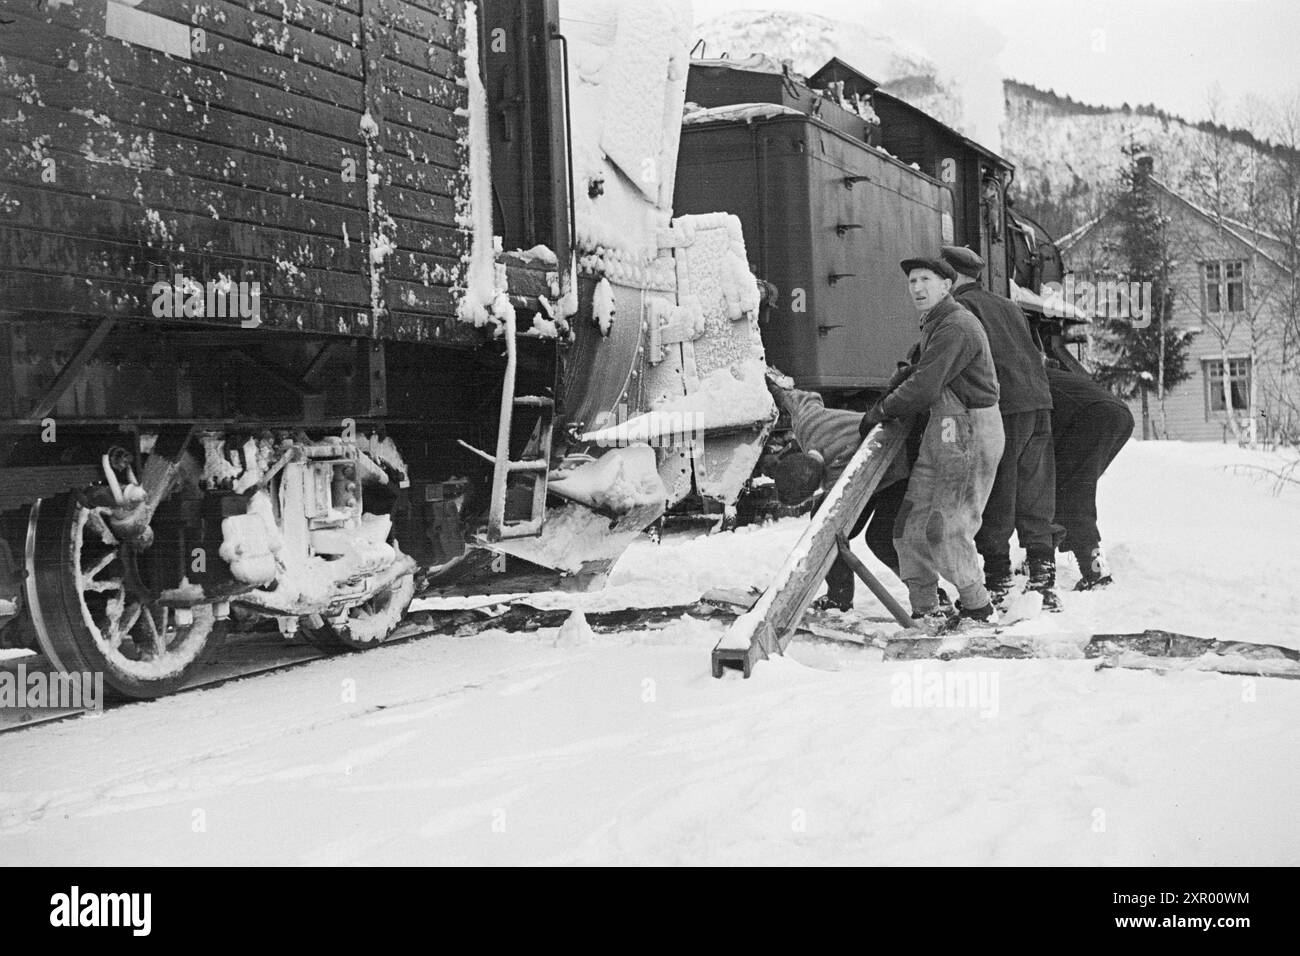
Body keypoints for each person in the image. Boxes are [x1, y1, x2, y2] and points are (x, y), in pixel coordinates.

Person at [859, 256, 1005, 626]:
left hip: (968, 431)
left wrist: (882, 409)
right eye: (911, 282)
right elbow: (923, 374)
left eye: (926, 279)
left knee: (947, 527)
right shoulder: (937, 324)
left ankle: (977, 607)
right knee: (909, 527)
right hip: (944, 432)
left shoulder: (956, 325)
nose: (918, 288)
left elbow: (925, 386)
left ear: (946, 286)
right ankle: (925, 609)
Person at [941, 245, 1059, 609]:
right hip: (1038, 402)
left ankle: (998, 580)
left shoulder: (960, 309)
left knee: (995, 493)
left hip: (1000, 407)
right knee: (1035, 491)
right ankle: (1043, 577)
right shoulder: (1010, 306)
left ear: (950, 276)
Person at [765, 372, 926, 611]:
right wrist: (772, 386)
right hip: (873, 461)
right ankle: (839, 596)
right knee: (836, 530)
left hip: (897, 470)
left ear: (815, 489)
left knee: (877, 539)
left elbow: (836, 516)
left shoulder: (837, 479)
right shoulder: (808, 423)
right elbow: (799, 398)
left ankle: (928, 595)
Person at [1046, 364, 1134, 589]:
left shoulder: (1022, 378)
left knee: (1072, 497)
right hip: (1118, 415)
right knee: (1064, 491)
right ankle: (1043, 559)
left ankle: (1096, 570)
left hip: (1092, 418)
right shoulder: (1041, 371)